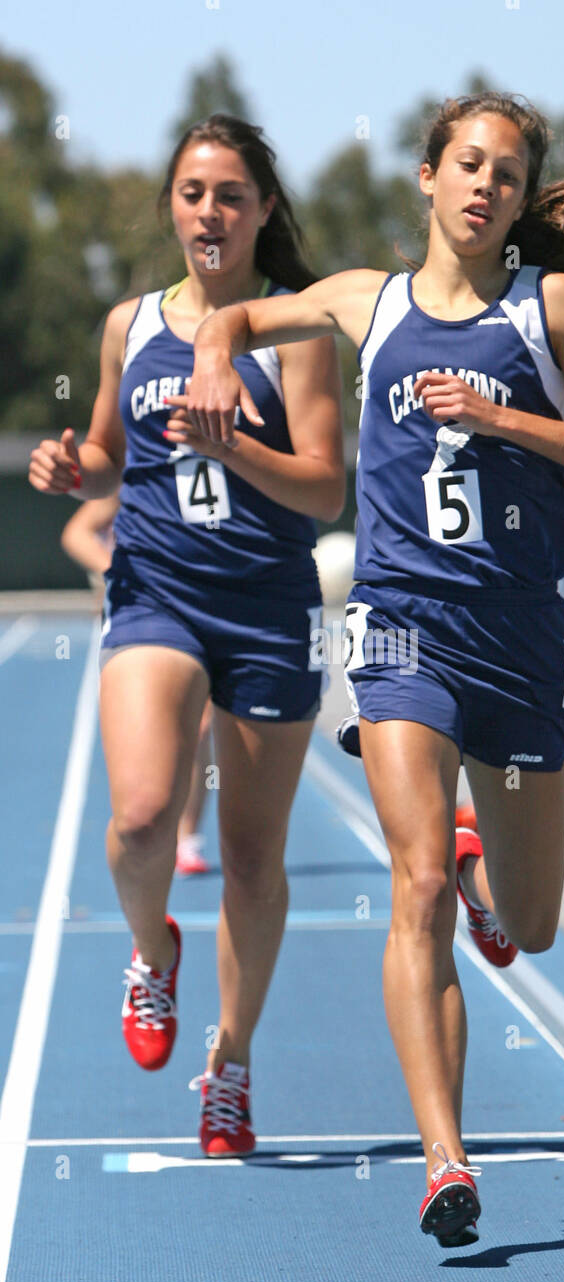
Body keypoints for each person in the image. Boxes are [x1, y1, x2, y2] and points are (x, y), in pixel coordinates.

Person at [175, 92, 564, 1243]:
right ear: (425, 177)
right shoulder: (371, 304)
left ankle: (481, 876)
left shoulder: (544, 307)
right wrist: (212, 350)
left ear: (516, 199)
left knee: (534, 927)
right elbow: (245, 319)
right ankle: (445, 1160)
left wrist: (506, 423)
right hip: (403, 627)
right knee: (409, 889)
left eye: (504, 175)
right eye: (465, 164)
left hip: (517, 639)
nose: (482, 187)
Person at [29, 114, 344, 1156]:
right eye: (192, 193)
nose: (209, 213)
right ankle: (148, 945)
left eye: (231, 196)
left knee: (253, 860)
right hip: (156, 591)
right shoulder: (129, 323)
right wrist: (75, 466)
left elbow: (325, 493)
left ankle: (233, 1064)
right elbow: (115, 448)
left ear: (262, 212)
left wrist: (235, 445)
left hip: (267, 607)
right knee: (142, 815)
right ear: (172, 204)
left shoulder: (293, 327)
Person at [60, 495, 215, 874]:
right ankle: (147, 831)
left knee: (201, 729)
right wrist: (123, 570)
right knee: (148, 738)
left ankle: (187, 839)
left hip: (210, 610)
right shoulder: (138, 464)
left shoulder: (220, 457)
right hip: (142, 618)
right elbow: (76, 532)